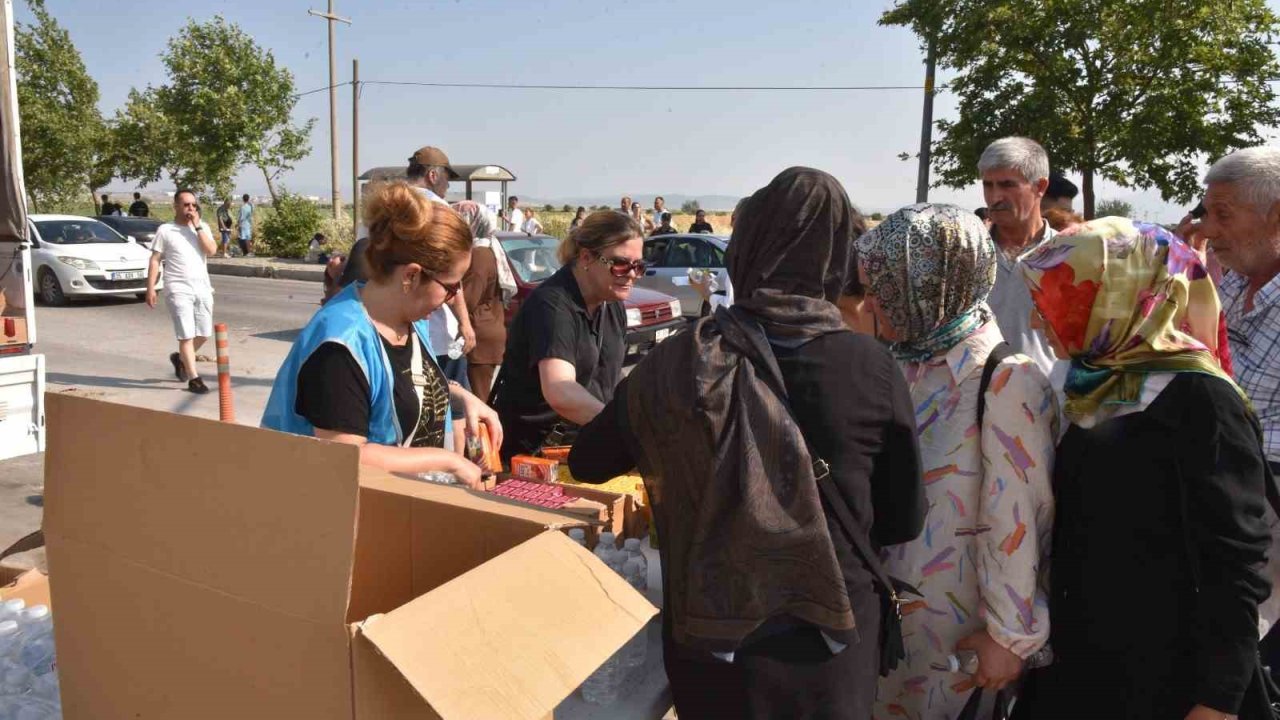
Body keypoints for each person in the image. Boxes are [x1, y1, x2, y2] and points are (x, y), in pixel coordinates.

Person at [569, 167, 925, 720]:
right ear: (837, 257)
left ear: (748, 249)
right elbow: (903, 521)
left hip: (713, 651)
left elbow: (589, 460)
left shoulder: (681, 360)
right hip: (828, 648)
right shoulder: (870, 368)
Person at [1011, 218, 1273, 720]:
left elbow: (1234, 561)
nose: (1041, 319)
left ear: (1118, 295)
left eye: (1062, 299)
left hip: (1169, 675)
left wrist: (1219, 697)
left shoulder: (1201, 400)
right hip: (1086, 657)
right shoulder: (1089, 380)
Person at [858, 204, 1058, 720]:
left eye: (886, 285)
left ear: (929, 285)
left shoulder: (1005, 379)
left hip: (957, 638)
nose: (872, 302)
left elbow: (1018, 519)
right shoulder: (903, 361)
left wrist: (1010, 637)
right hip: (893, 622)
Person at [261, 181, 501, 488]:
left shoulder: (410, 320)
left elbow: (404, 382)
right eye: (451, 287)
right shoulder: (339, 346)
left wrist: (461, 396)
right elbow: (346, 455)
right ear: (412, 276)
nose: (455, 298)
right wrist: (449, 461)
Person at [490, 210, 642, 461]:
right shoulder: (552, 305)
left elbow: (610, 381)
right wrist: (620, 430)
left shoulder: (611, 303)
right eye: (620, 264)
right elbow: (560, 391)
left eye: (639, 266)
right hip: (532, 454)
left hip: (582, 446)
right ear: (585, 257)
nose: (632, 274)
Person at [979, 137, 1063, 384]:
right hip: (973, 406)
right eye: (988, 185)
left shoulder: (1070, 255)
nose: (995, 197)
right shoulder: (965, 256)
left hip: (1051, 406)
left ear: (1040, 186)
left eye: (1007, 185)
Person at [146, 190, 218, 395]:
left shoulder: (201, 227)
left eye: (193, 205)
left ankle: (180, 359)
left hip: (202, 286)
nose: (190, 209)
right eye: (186, 205)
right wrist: (151, 287)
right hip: (178, 288)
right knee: (186, 334)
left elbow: (211, 251)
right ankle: (194, 379)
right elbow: (155, 260)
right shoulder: (166, 230)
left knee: (204, 333)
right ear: (176, 206)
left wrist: (198, 226)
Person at [454, 201, 515, 404]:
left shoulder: (479, 256)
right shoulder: (487, 250)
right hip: (487, 330)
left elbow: (469, 298)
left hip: (481, 335)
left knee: (478, 403)